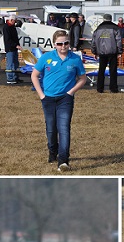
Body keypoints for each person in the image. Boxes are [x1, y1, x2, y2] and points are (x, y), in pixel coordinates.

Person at [31, 30, 86, 171]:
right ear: (54, 44)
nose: (63, 46)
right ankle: (52, 151)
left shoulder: (75, 59)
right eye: (60, 44)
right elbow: (34, 75)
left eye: (66, 43)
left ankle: (63, 161)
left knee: (64, 128)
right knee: (51, 129)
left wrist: (71, 92)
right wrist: (41, 95)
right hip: (48, 99)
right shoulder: (46, 57)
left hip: (65, 99)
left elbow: (82, 79)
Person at [90, 13, 122, 93]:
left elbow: (93, 41)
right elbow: (119, 41)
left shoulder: (98, 29)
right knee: (113, 71)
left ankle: (100, 88)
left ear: (103, 19)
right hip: (112, 52)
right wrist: (119, 51)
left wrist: (94, 52)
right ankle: (113, 88)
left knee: (101, 70)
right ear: (111, 19)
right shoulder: (115, 28)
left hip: (101, 52)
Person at [2, 14, 21, 84]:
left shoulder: (13, 27)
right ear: (11, 20)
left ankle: (15, 77)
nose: (15, 22)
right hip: (10, 48)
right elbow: (8, 39)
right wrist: (15, 45)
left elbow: (15, 37)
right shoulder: (6, 27)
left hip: (15, 48)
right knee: (10, 64)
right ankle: (10, 78)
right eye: (14, 21)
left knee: (16, 63)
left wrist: (17, 44)